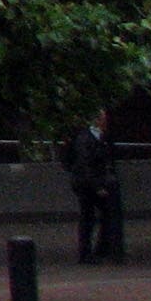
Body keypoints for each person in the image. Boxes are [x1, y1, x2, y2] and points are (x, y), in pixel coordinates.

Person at [62, 111, 124, 263]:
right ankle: (88, 252)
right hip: (86, 183)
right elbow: (85, 164)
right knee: (89, 216)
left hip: (94, 181)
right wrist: (97, 186)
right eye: (103, 118)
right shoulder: (86, 139)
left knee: (102, 215)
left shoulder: (102, 137)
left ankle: (100, 249)